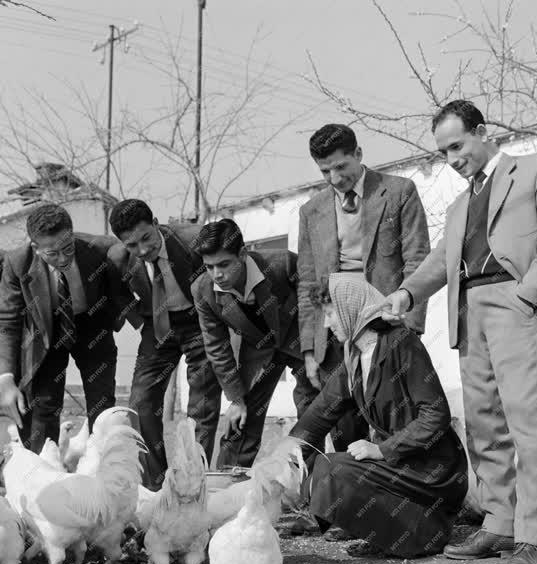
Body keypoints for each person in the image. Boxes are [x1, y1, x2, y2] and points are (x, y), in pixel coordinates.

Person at [384, 100, 537, 564]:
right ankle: (499, 522)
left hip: (517, 306)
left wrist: (527, 296)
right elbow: (441, 260)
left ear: (481, 132)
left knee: (526, 422)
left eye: (457, 145)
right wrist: (408, 292)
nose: (451, 159)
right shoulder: (457, 207)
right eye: (443, 151)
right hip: (468, 311)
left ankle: (533, 538)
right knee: (485, 423)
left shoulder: (535, 170)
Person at [290, 273, 468, 559]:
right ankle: (389, 535)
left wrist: (382, 449)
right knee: (325, 466)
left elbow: (436, 415)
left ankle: (421, 534)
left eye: (330, 313)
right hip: (402, 465)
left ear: (350, 308)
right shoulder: (354, 355)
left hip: (431, 468)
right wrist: (284, 454)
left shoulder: (402, 343)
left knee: (333, 470)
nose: (327, 324)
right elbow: (322, 410)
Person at [297, 124, 431, 454]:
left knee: (393, 424)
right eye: (325, 171)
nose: (334, 178)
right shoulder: (310, 211)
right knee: (345, 431)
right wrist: (310, 349)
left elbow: (418, 261)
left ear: (358, 154)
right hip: (336, 334)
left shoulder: (400, 192)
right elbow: (308, 283)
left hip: (387, 328)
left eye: (341, 167)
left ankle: (396, 496)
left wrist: (408, 330)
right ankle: (352, 498)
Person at [107, 199, 222, 490]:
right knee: (141, 403)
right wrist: (138, 317)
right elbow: (117, 294)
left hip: (199, 322)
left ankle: (193, 483)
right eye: (133, 245)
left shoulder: (194, 240)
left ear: (156, 222)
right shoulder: (118, 258)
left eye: (147, 238)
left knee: (202, 404)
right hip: (157, 327)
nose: (143, 250)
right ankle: (156, 488)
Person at [0, 203, 125, 453]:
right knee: (43, 405)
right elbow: (7, 321)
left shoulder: (100, 249)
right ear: (36, 248)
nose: (63, 258)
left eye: (67, 248)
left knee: (102, 405)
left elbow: (136, 249)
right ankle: (41, 474)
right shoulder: (17, 263)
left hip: (92, 324)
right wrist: (5, 377)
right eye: (52, 253)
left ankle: (106, 471)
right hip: (45, 331)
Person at [191, 218, 316, 467]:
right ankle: (228, 483)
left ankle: (318, 482)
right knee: (240, 417)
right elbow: (217, 346)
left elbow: (314, 300)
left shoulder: (283, 263)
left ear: (242, 253)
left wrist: (314, 352)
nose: (217, 275)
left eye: (224, 264)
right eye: (209, 266)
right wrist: (235, 399)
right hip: (258, 352)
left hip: (301, 340)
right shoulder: (202, 290)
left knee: (315, 409)